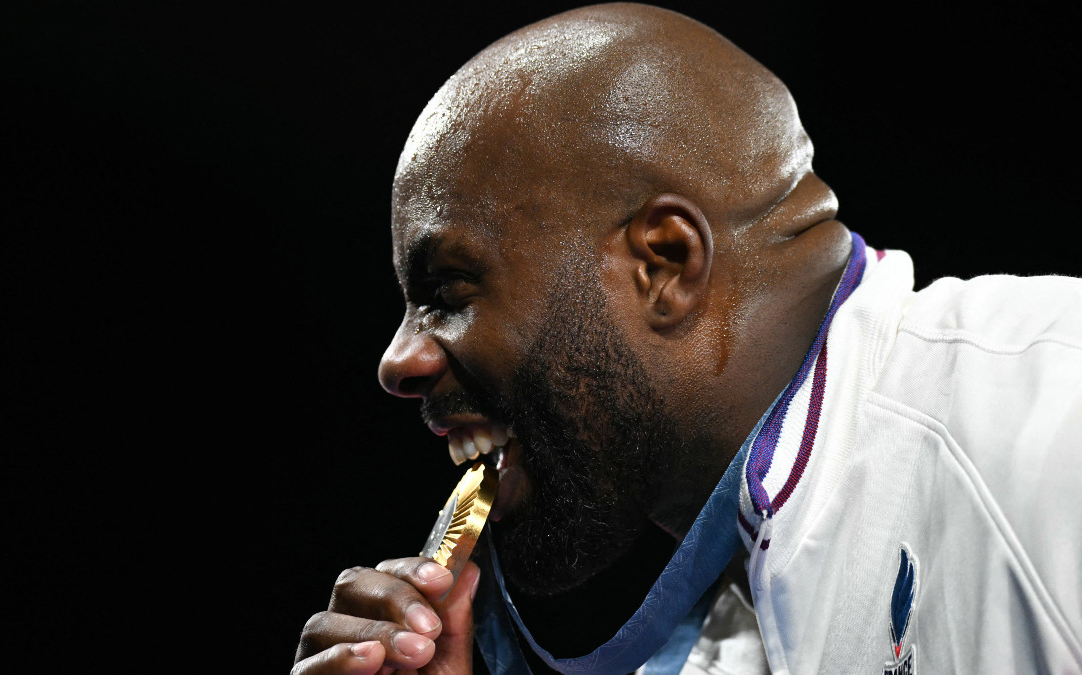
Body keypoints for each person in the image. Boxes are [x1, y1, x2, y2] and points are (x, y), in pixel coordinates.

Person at [294, 3, 1082, 673]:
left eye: (448, 291)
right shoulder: (726, 635)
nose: (400, 361)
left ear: (664, 263)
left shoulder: (1048, 417)